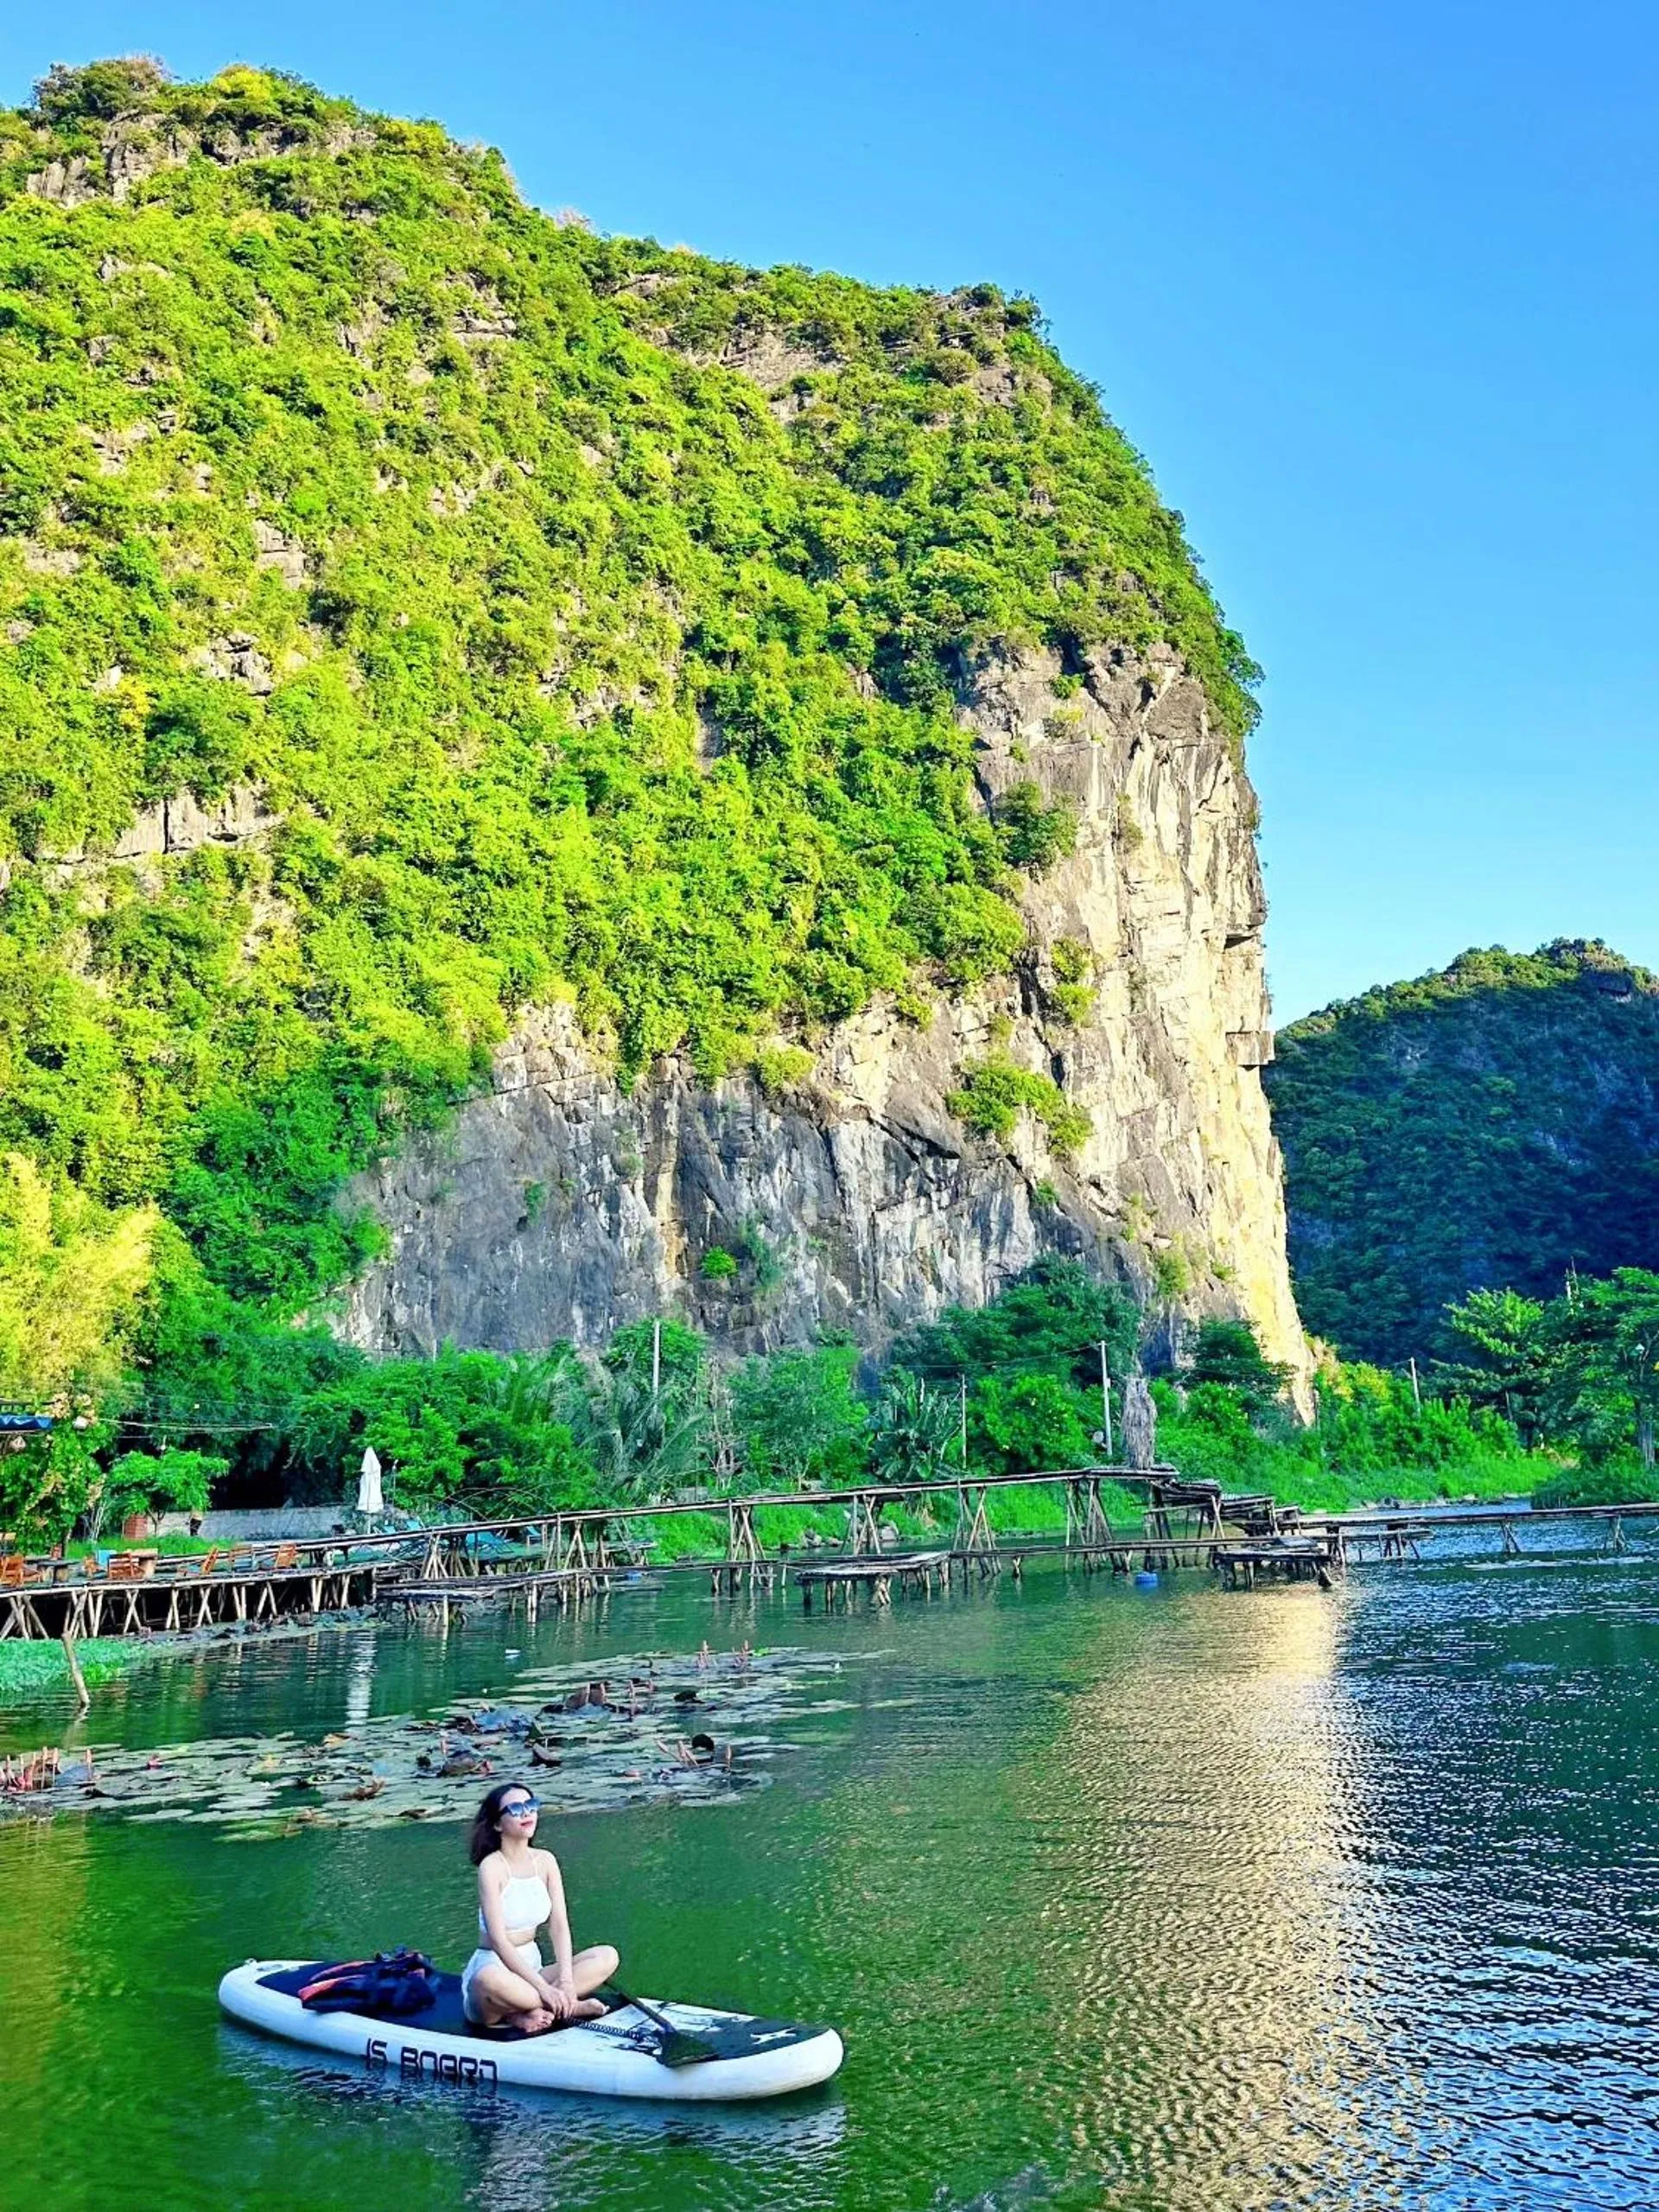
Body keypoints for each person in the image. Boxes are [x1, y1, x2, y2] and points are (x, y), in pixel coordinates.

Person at [461, 1782, 619, 2032]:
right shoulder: (491, 1867)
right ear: (497, 1824)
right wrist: (545, 1989)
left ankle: (543, 2005)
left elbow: (559, 1925)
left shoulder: (545, 1860)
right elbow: (499, 1941)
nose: (526, 1813)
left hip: (533, 1970)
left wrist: (565, 1980)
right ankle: (529, 2011)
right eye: (515, 1809)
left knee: (607, 1956)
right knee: (486, 1981)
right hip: (496, 1968)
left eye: (531, 1805)